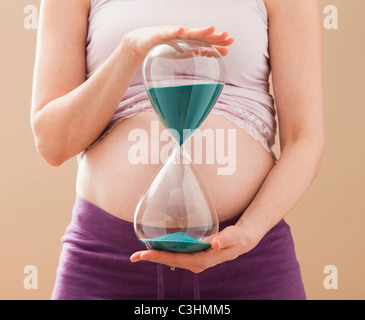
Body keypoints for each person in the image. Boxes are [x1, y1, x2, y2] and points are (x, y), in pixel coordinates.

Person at [31, 0, 324, 300]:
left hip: (248, 258)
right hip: (107, 260)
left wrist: (249, 231)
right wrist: (129, 52)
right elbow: (53, 144)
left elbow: (304, 138)